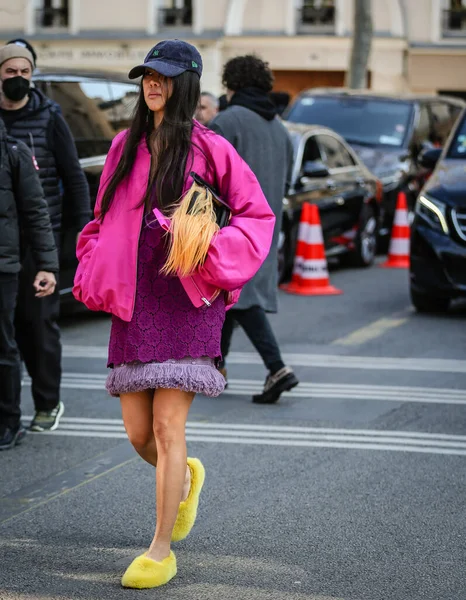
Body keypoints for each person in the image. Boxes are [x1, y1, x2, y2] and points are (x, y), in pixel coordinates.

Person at [73, 40, 275, 589]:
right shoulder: (123, 144)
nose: (152, 85)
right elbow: (99, 218)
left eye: (162, 77)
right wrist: (93, 258)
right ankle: (185, 476)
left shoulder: (210, 148)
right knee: (139, 434)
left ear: (184, 83)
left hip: (187, 300)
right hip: (134, 301)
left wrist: (213, 255)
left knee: (167, 426)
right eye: (146, 77)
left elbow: (257, 215)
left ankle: (161, 549)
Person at [0, 43, 91, 432]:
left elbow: (74, 176)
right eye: (10, 72)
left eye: (25, 72)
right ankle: (7, 412)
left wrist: (84, 234)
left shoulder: (51, 115)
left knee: (39, 326)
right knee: (8, 327)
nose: (18, 79)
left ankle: (46, 403)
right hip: (4, 239)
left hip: (42, 236)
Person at [210, 55, 299, 404]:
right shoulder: (281, 130)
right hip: (266, 229)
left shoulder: (226, 122)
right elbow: (288, 181)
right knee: (232, 299)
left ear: (231, 84)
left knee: (241, 299)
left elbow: (207, 181)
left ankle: (277, 368)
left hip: (229, 228)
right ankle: (215, 368)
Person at [0, 116, 58, 450]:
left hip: (5, 267)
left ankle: (9, 420)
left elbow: (37, 212)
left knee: (3, 345)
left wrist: (48, 266)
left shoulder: (13, 152)